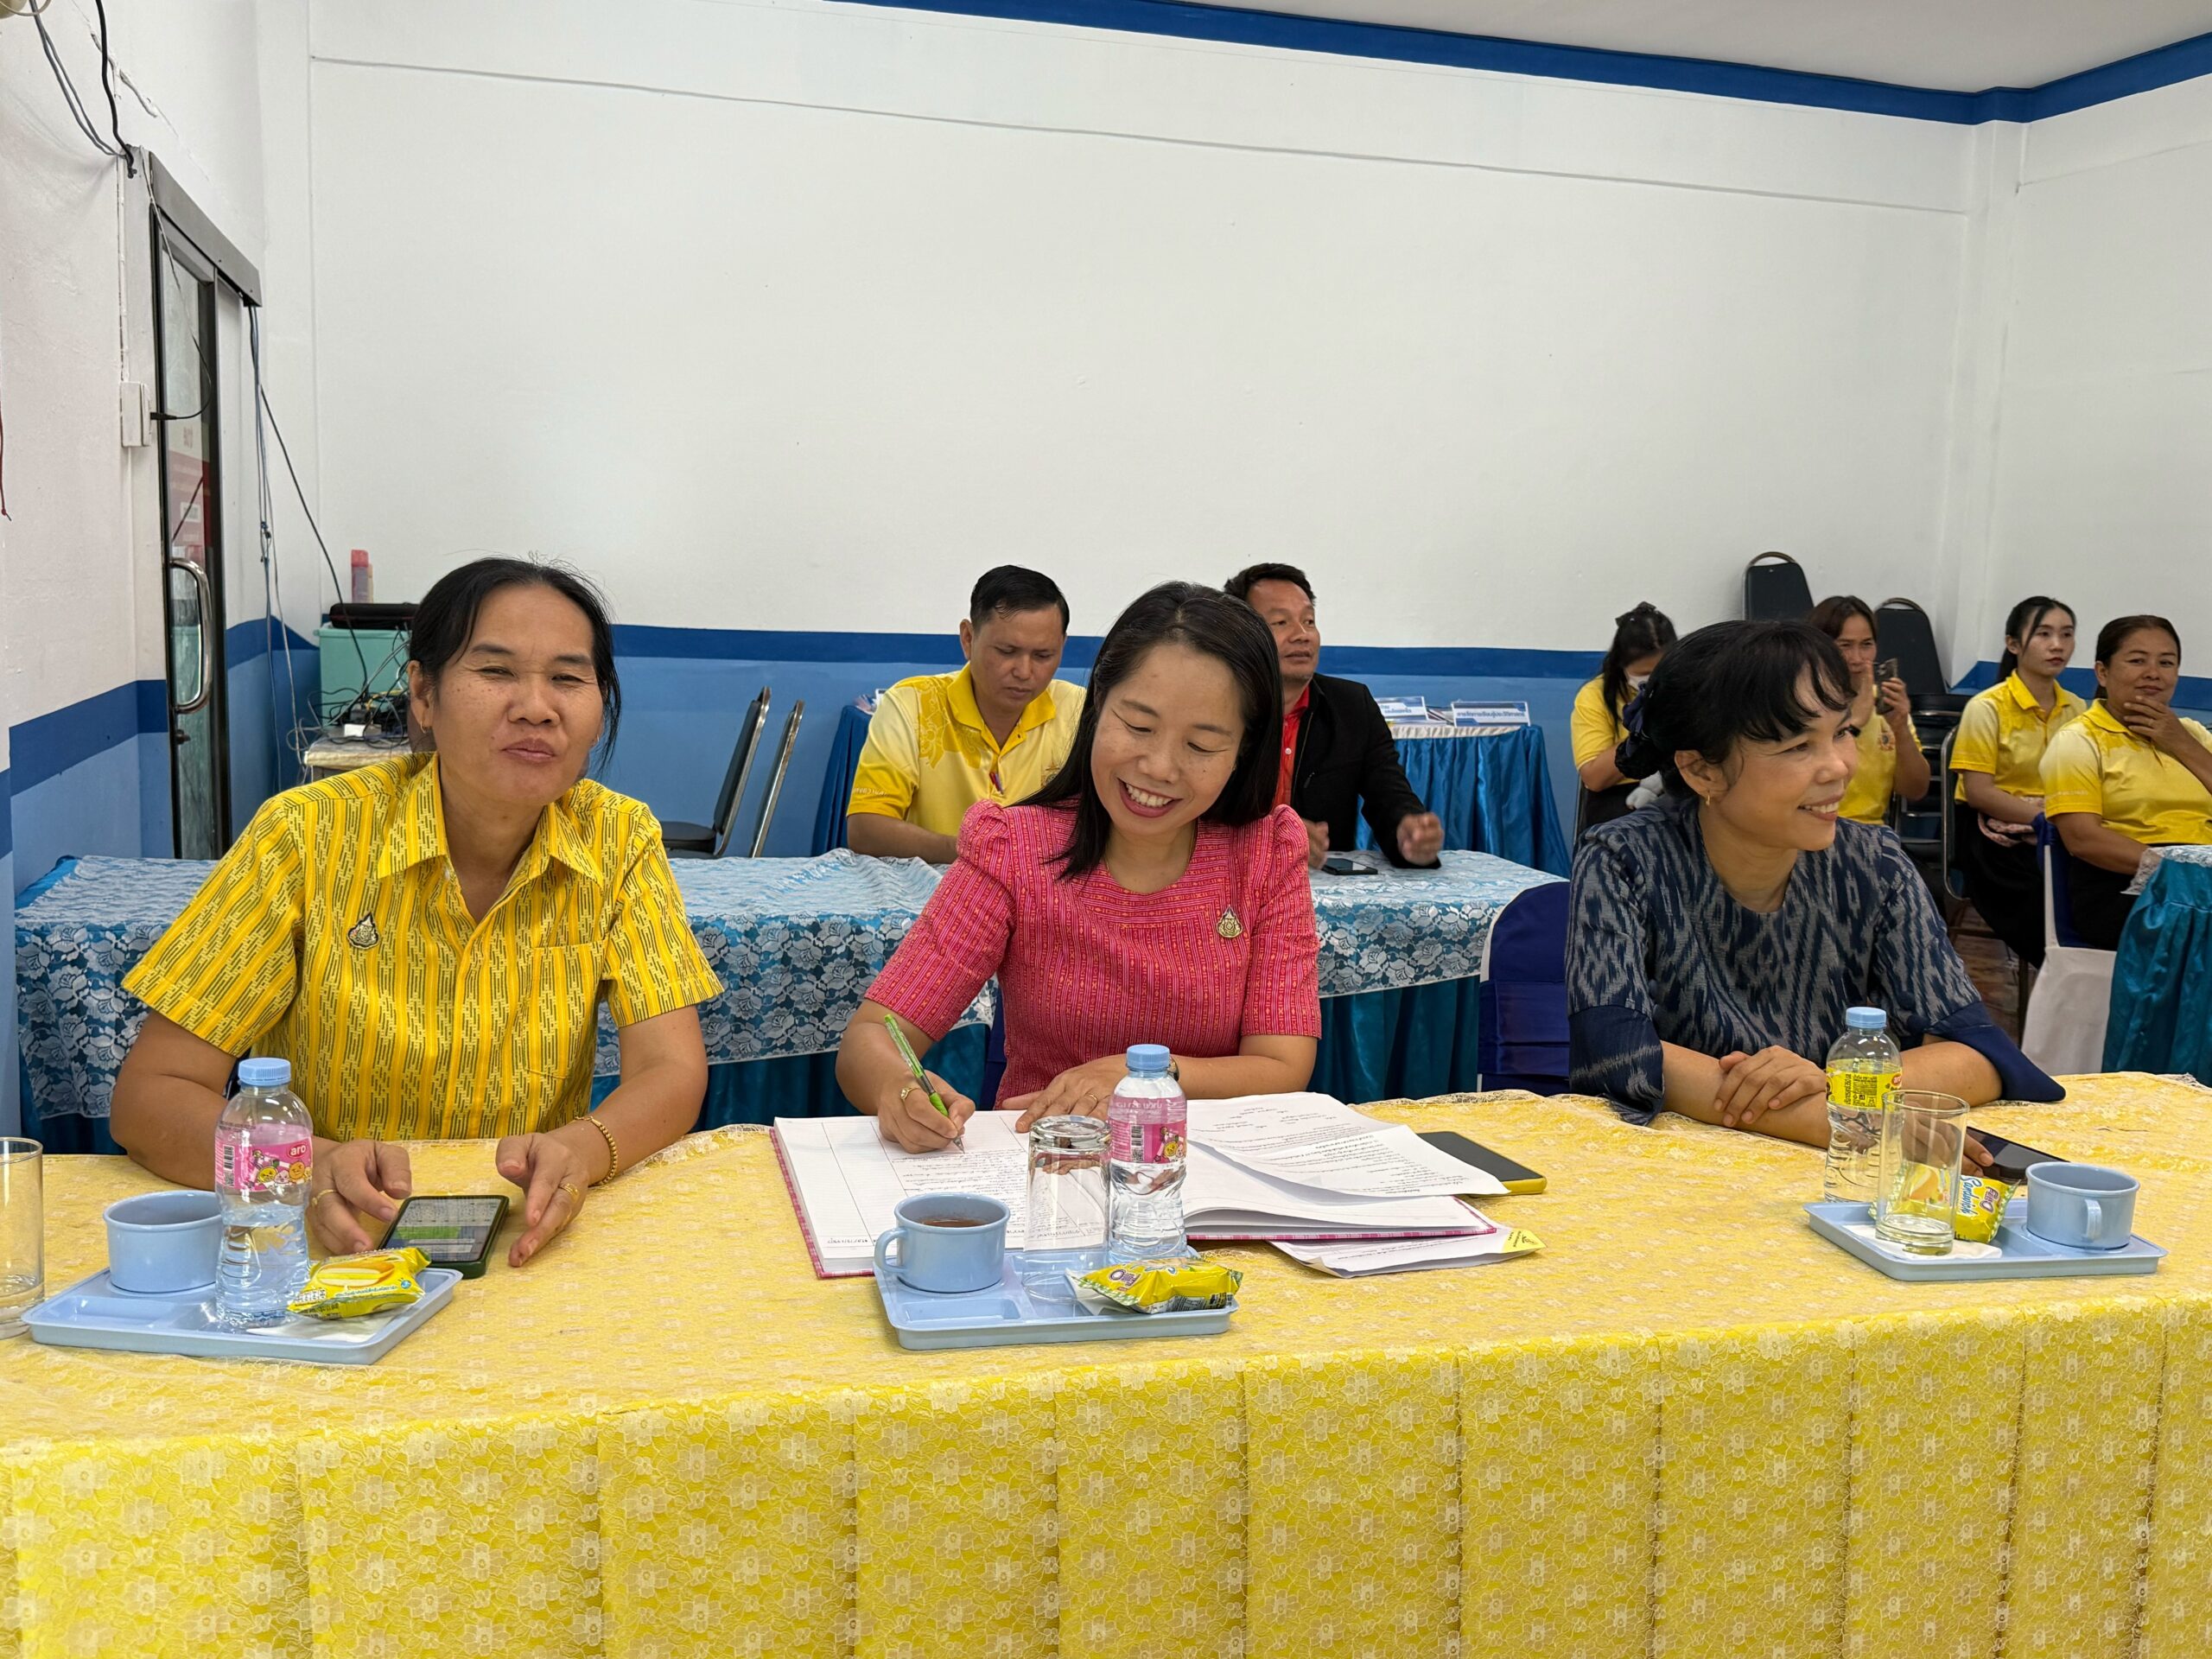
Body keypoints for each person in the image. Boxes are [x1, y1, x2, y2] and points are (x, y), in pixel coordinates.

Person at [111, 559, 721, 1266]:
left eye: (567, 678)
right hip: (344, 1240)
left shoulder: (618, 839)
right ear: (424, 695)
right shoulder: (306, 836)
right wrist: (308, 1168)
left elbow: (670, 1070)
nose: (536, 707)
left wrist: (581, 1150)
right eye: (495, 672)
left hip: (524, 1234)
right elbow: (151, 1097)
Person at [836, 582, 1320, 1153]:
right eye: (1138, 726)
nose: (1159, 767)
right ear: (1096, 709)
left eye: (1201, 746)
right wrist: (898, 1090)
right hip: (1048, 1164)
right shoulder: (1015, 848)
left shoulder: (1265, 851)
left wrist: (1142, 1078)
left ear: (1242, 751)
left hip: (1205, 1166)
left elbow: (1282, 1064)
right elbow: (872, 1036)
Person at [1566, 620, 2059, 1145]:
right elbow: (1613, 1052)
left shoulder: (1876, 863)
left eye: (1842, 732)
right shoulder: (1624, 859)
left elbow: (1980, 1053)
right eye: (1799, 745)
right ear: (1702, 771)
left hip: (1840, 1171)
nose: (1839, 767)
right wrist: (1832, 1120)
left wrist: (1829, 1085)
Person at [846, 566, 1085, 863]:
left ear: (1062, 646)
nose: (1024, 672)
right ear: (968, 638)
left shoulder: (1078, 712)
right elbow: (866, 829)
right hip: (936, 885)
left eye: (1043, 656)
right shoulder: (912, 706)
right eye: (1006, 651)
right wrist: (977, 852)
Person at [1223, 562, 1444, 870]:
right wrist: (1267, 835)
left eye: (1309, 621)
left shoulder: (1352, 706)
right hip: (1227, 877)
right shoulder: (1215, 707)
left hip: (1320, 884)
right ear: (1241, 635)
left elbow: (1389, 795)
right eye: (1281, 622)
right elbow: (1196, 815)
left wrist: (1408, 834)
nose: (1302, 635)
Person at [2040, 615, 2212, 949]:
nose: (2153, 673)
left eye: (2166, 663)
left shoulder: (2193, 734)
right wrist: (2177, 872)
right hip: (2122, 886)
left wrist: (2182, 744)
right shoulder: (2078, 739)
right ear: (2102, 672)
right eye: (2137, 661)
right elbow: (2083, 839)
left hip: (2201, 876)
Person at [1949, 597, 2084, 964]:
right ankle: (2062, 979)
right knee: (2049, 898)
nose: (2057, 645)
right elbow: (1979, 793)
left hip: (2057, 828)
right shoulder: (1986, 707)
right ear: (2013, 643)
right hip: (1993, 836)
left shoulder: (2077, 709)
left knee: (2100, 887)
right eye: (2044, 634)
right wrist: (2043, 821)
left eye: (2066, 635)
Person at [1808, 595, 1930, 823]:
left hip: (1871, 832)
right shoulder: (1804, 702)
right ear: (1819, 649)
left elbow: (1915, 790)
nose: (1858, 659)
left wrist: (1901, 728)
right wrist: (1854, 724)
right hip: (1813, 825)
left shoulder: (1885, 703)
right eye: (1845, 646)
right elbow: (1804, 780)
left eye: (1866, 645)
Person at [1572, 601, 1676, 834]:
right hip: (1618, 806)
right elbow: (1594, 778)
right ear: (1621, 664)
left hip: (1677, 796)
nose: (1652, 681)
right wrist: (1643, 727)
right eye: (1644, 674)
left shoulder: (1686, 689)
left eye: (1660, 672)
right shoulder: (1595, 696)